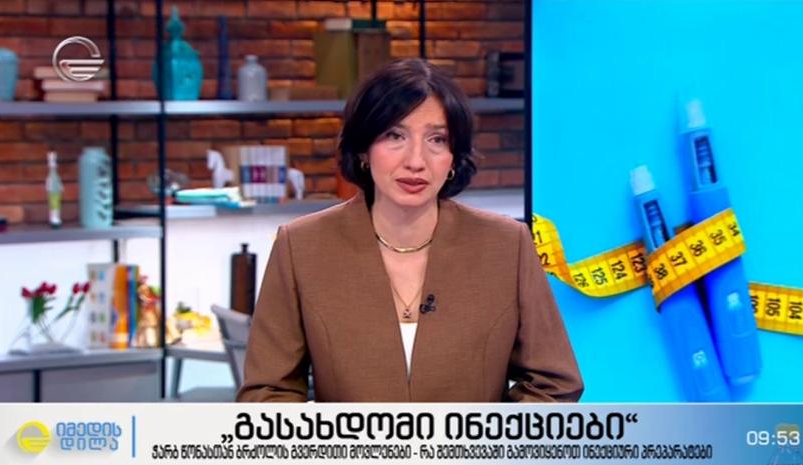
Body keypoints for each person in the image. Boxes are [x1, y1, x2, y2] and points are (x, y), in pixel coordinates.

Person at [237, 58, 583, 402]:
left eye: (437, 140)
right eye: (395, 135)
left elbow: (553, 384)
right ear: (364, 150)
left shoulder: (506, 246)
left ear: (453, 156)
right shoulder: (301, 246)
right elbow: (268, 392)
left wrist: (487, 434)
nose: (416, 161)